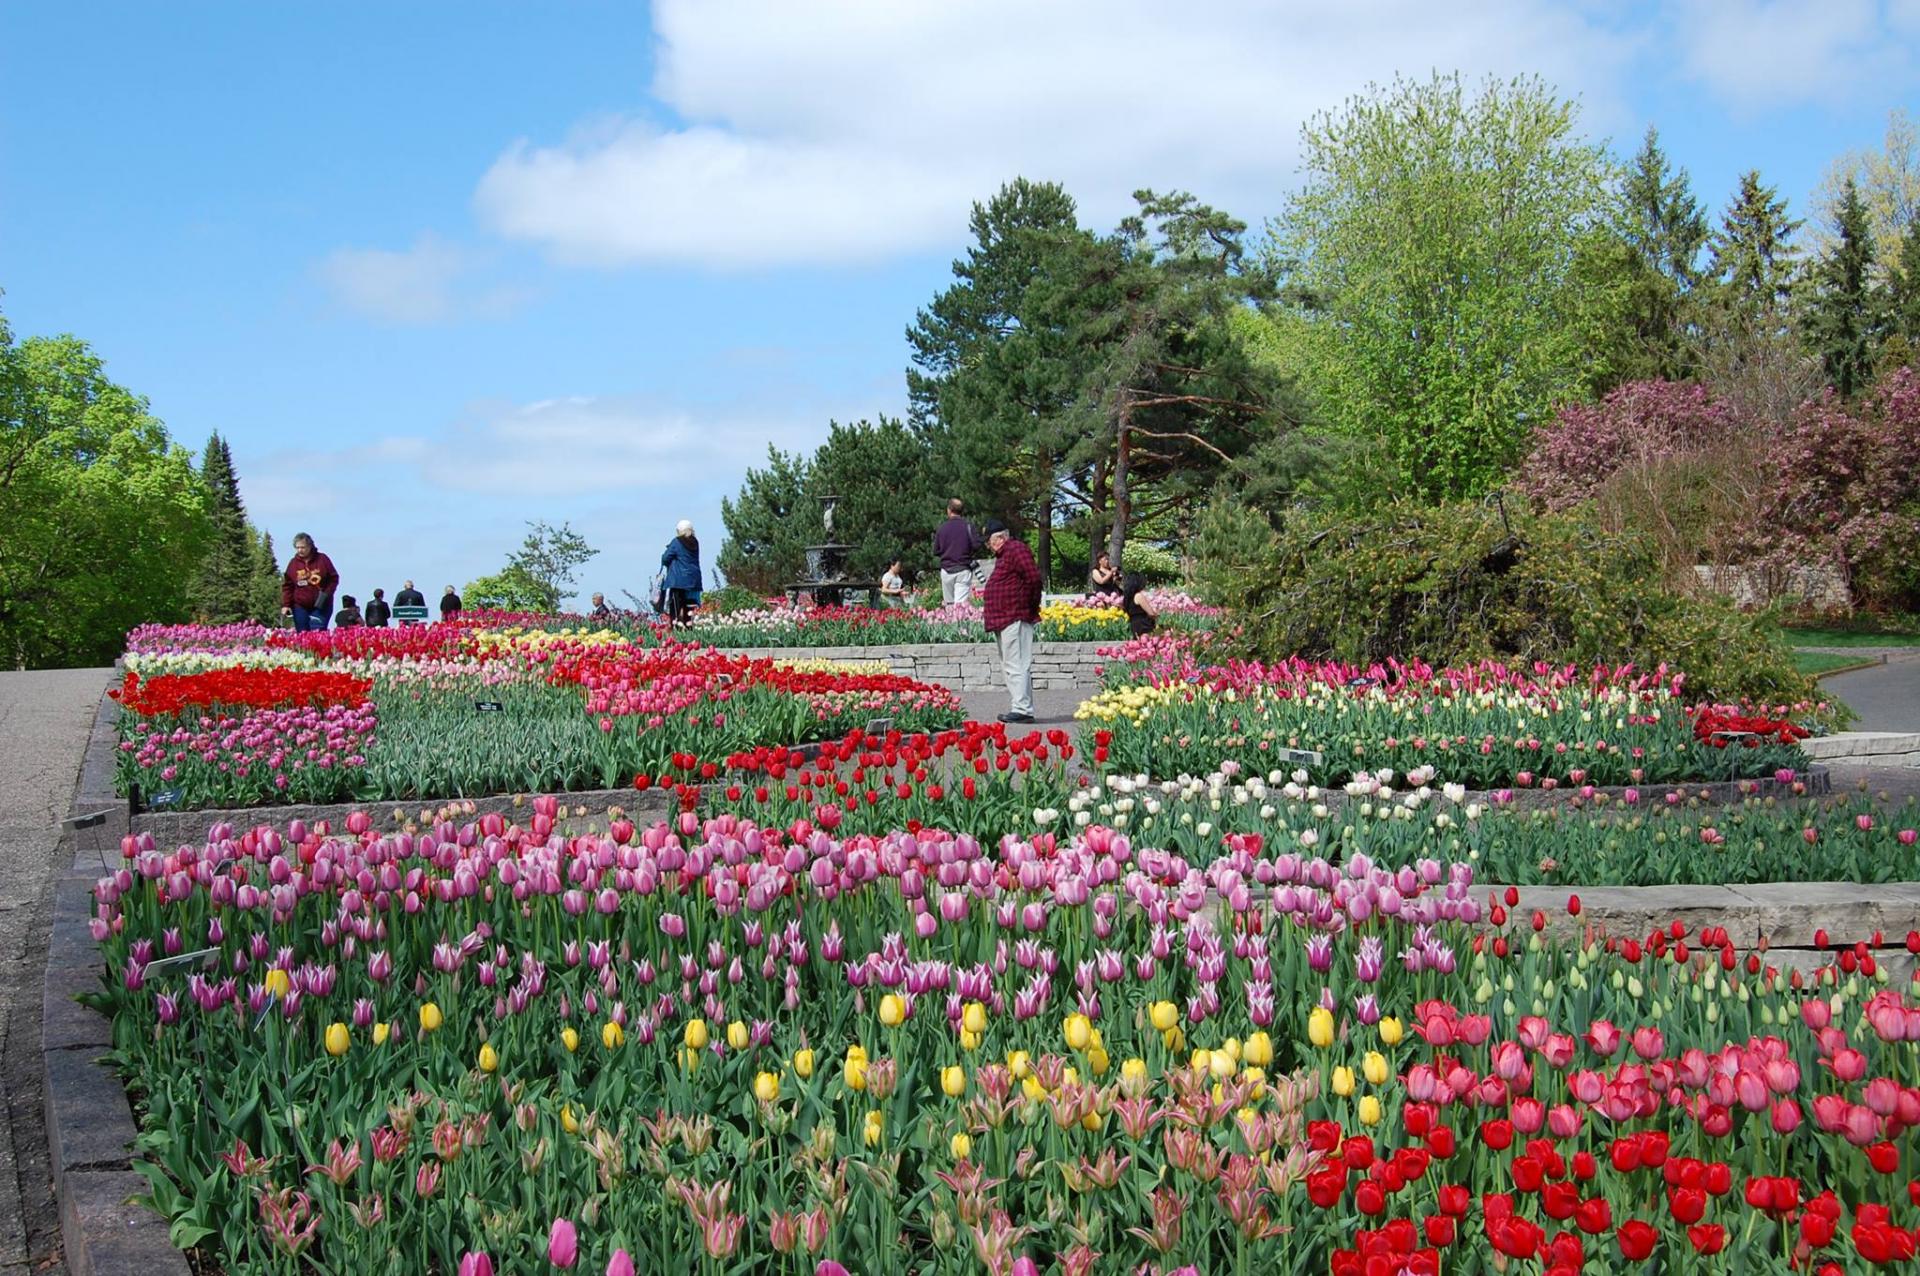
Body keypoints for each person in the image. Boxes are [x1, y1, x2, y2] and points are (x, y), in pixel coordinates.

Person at [981, 518, 1042, 724]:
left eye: (989, 542)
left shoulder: (1015, 548)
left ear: (1000, 538)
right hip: (1006, 618)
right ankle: (1020, 706)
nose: (989, 547)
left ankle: (1022, 709)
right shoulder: (1005, 554)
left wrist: (1029, 606)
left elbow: (1033, 578)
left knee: (1016, 664)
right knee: (1011, 664)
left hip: (1015, 616)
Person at [280, 533, 339, 633]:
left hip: (321, 605)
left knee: (317, 631)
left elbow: (333, 579)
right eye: (297, 548)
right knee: (302, 633)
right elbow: (288, 586)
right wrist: (286, 604)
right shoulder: (293, 563)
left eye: (302, 547)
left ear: (310, 546)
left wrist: (327, 593)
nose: (300, 550)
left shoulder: (322, 559)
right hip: (300, 605)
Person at [933, 498, 984, 606]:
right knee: (960, 606)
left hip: (946, 570)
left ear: (949, 510)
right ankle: (958, 622)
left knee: (950, 605)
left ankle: (949, 622)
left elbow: (936, 551)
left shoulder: (942, 529)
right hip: (963, 569)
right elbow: (977, 545)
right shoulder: (968, 526)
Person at [661, 519, 703, 626]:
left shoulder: (676, 542)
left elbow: (665, 558)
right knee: (688, 612)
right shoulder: (695, 542)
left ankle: (676, 635)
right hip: (693, 580)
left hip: (678, 582)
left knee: (675, 611)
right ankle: (688, 634)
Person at [1119, 571, 1159, 637]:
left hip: (1134, 625)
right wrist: (1157, 614)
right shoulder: (1138, 596)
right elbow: (1151, 613)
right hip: (1144, 625)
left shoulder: (1127, 598)